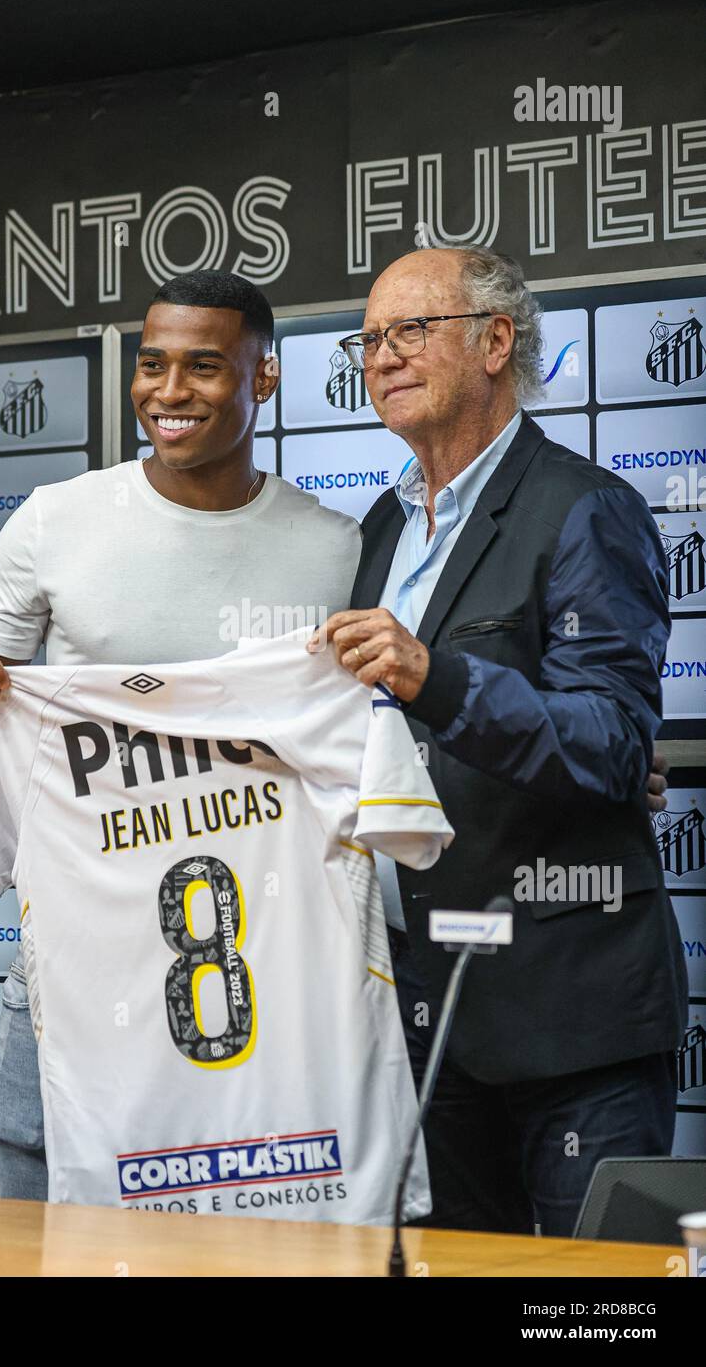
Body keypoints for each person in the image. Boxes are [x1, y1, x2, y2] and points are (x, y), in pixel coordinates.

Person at [0, 269, 361, 1200]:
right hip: (71, 978)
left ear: (263, 379)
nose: (168, 392)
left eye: (204, 367)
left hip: (264, 988)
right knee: (50, 1245)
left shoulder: (338, 549)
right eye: (151, 365)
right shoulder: (56, 523)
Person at [310, 244, 687, 1238]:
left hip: (572, 1025)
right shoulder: (379, 532)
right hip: (423, 1022)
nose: (380, 356)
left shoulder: (584, 508)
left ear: (493, 341)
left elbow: (609, 742)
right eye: (369, 339)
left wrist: (436, 678)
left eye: (409, 330)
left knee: (601, 1307)